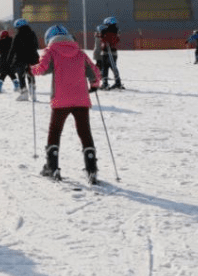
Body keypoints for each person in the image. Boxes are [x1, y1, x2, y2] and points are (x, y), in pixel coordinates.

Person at [32, 24, 102, 183]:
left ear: (49, 38)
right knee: (85, 132)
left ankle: (52, 167)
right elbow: (95, 72)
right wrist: (94, 85)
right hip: (81, 100)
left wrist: (30, 70)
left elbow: (42, 68)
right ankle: (91, 169)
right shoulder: (80, 53)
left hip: (60, 100)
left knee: (55, 131)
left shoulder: (51, 51)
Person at [7, 19, 41, 100]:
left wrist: (9, 61)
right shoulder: (32, 34)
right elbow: (36, 46)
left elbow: (13, 50)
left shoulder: (17, 36)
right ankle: (33, 93)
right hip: (32, 58)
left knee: (21, 76)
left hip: (20, 59)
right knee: (31, 74)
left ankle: (24, 93)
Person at [96, 17, 124, 90]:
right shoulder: (111, 31)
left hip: (110, 53)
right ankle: (106, 83)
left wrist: (101, 35)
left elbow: (108, 40)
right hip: (108, 52)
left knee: (111, 67)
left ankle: (116, 83)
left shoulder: (112, 32)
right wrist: (100, 34)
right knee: (105, 68)